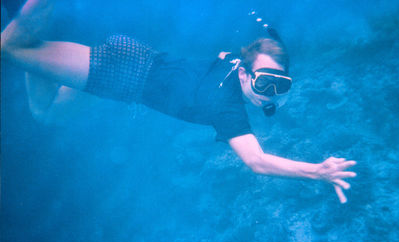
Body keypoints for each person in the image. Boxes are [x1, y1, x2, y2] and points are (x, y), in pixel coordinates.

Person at [1, 0, 357, 203]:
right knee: (11, 50)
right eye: (265, 82)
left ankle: (38, 35)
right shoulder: (226, 107)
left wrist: (271, 46)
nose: (270, 93)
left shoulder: (233, 61)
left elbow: (230, 52)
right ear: (247, 74)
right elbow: (257, 162)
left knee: (49, 115)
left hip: (133, 65)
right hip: (122, 75)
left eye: (281, 85)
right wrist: (317, 172)